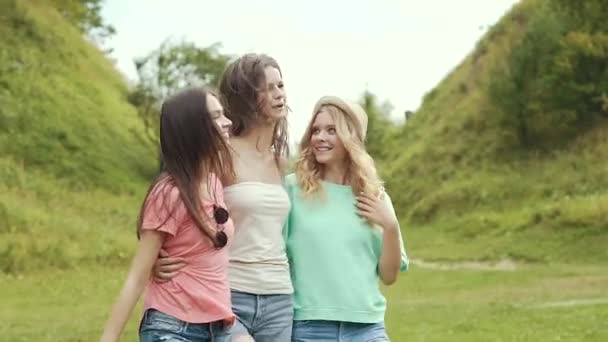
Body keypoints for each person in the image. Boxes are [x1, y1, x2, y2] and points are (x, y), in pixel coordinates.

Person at [155, 53, 294, 342]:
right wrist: (157, 255)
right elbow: (175, 197)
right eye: (267, 88)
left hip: (279, 296)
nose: (278, 94)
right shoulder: (223, 155)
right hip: (230, 292)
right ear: (244, 97)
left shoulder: (281, 162)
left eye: (280, 85)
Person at [100, 87, 236, 342]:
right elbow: (135, 278)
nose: (227, 121)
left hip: (218, 327)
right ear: (195, 128)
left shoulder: (215, 182)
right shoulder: (169, 193)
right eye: (217, 116)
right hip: (173, 328)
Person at [285, 96, 409, 342]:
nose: (320, 137)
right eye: (316, 130)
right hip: (311, 328)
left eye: (332, 130)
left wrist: (391, 226)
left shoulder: (376, 197)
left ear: (351, 137)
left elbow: (389, 276)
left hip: (368, 329)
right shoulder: (291, 189)